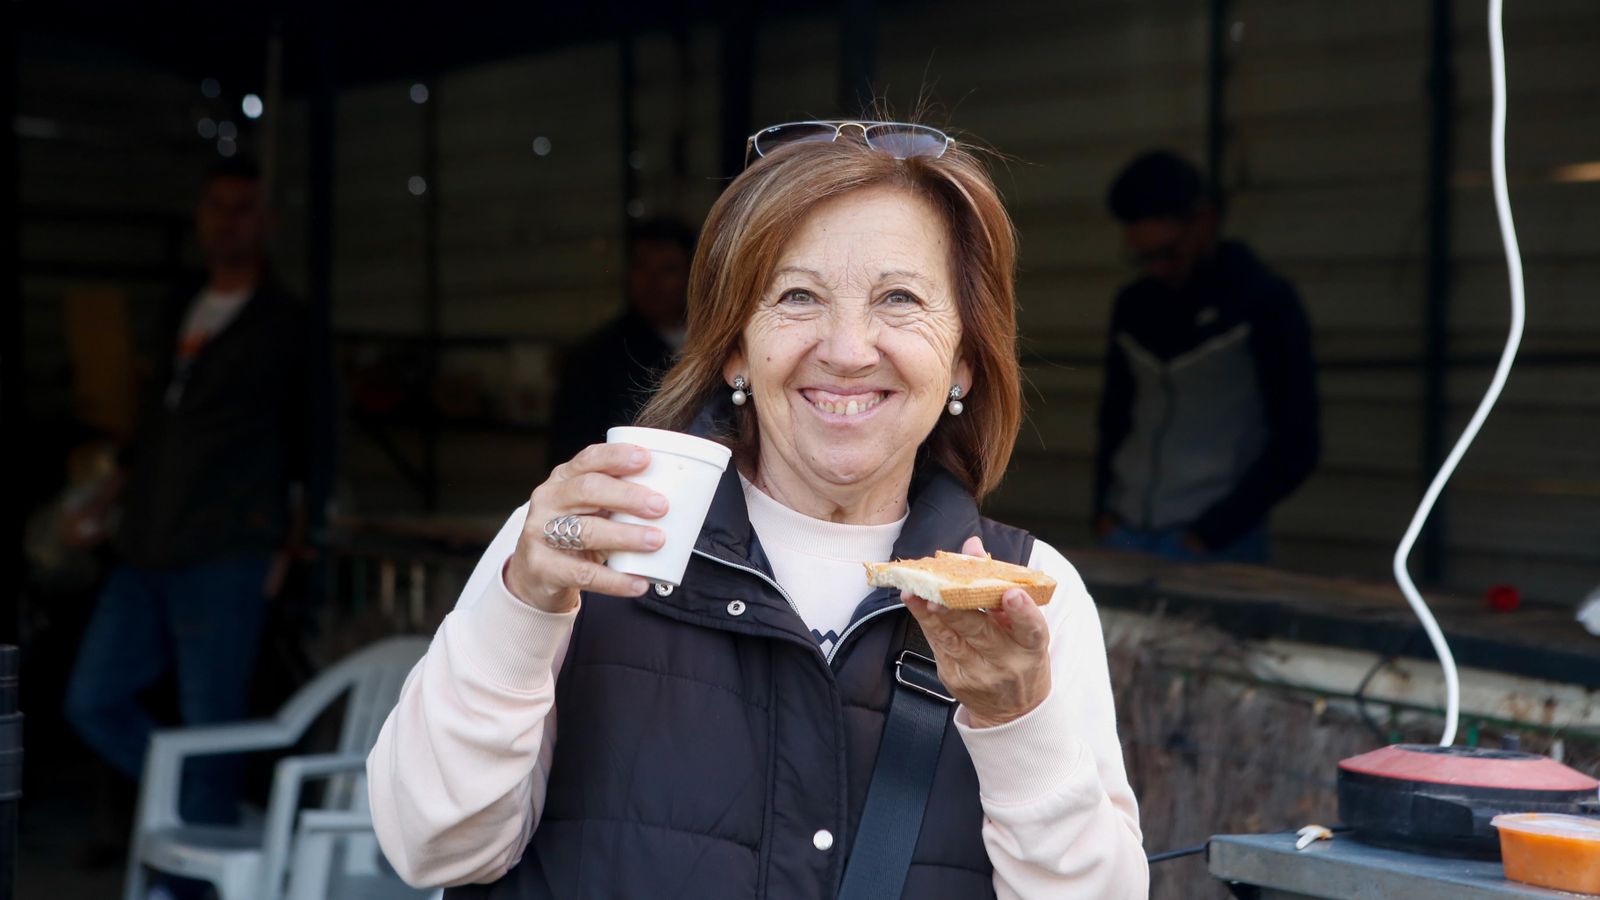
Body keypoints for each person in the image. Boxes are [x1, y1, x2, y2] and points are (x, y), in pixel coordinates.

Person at [369, 121, 1145, 899]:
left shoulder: (1030, 596)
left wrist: (1017, 721)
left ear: (965, 363)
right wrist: (521, 607)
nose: (846, 348)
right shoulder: (584, 545)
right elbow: (430, 845)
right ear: (736, 348)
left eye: (899, 298)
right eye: (798, 296)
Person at [63, 158, 336, 825]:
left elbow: (317, 438)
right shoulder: (182, 304)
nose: (227, 221)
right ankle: (193, 811)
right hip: (147, 541)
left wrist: (291, 541)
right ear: (199, 216)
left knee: (211, 725)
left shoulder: (287, 323)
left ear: (267, 224)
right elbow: (156, 420)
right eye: (216, 205)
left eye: (244, 208)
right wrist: (104, 497)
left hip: (227, 548)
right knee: (91, 699)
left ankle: (195, 869)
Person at [1092, 150, 1319, 564]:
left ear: (1205, 221)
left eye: (1168, 253)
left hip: (1213, 543)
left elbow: (1298, 441)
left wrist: (1213, 532)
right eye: (1143, 257)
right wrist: (1102, 513)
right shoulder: (1133, 305)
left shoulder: (1262, 301)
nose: (1156, 268)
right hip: (1123, 532)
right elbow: (1114, 418)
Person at [546, 217, 696, 467]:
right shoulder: (596, 357)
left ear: (692, 276)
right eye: (641, 267)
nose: (652, 282)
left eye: (668, 269)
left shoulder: (715, 346)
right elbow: (568, 455)